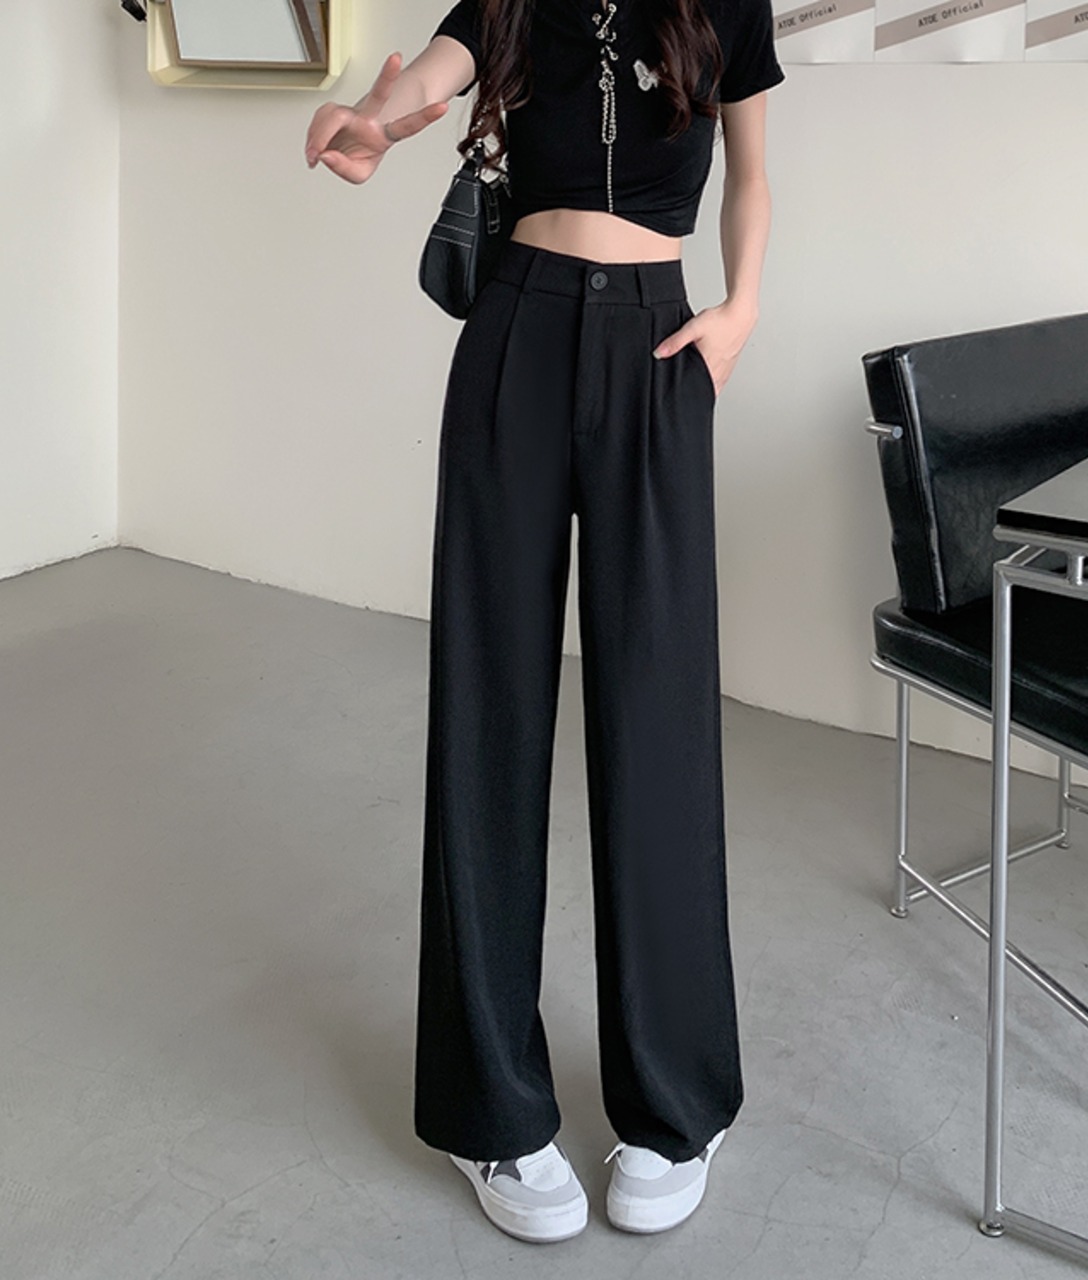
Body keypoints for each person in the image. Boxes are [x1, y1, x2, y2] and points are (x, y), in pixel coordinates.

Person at [304, 0, 784, 1244]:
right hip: (514, 330)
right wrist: (373, 118)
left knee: (658, 715)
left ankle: (677, 1098)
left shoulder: (726, 3)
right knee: (489, 707)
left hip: (660, 342)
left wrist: (737, 310)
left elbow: (750, 170)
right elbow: (429, 79)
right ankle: (489, 1108)